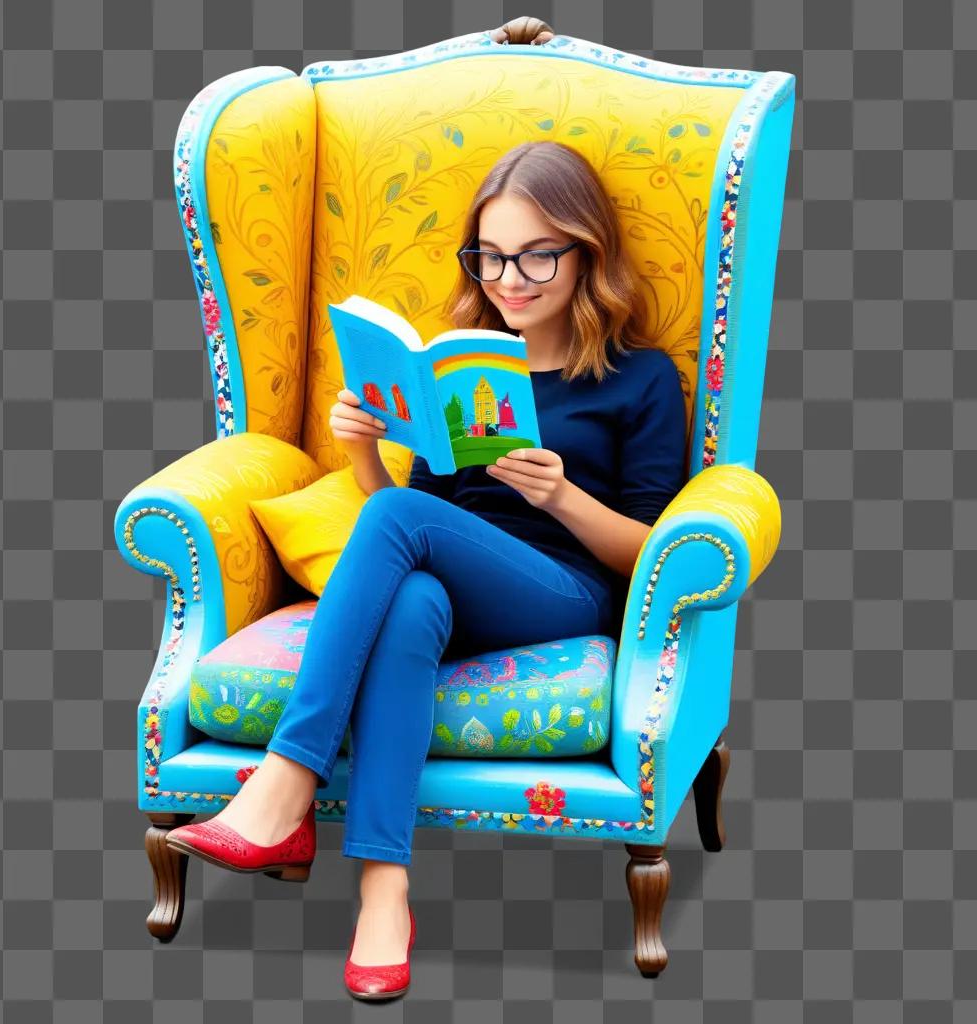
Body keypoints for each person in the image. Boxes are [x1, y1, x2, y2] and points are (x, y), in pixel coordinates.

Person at [165, 140, 689, 1000]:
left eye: (534, 255)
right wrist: (364, 449)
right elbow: (406, 513)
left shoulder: (637, 379)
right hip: (450, 575)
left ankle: (284, 787)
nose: (508, 278)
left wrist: (561, 499)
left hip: (565, 587)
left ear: (585, 251)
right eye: (489, 256)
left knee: (403, 521)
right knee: (408, 601)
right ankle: (384, 894)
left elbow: (649, 555)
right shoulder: (465, 364)